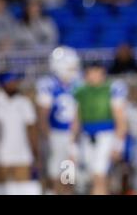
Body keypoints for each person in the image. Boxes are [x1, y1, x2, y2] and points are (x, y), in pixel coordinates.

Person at [73, 61, 128, 195]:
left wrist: (118, 144)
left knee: (99, 175)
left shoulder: (111, 89)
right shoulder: (81, 91)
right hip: (87, 137)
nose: (92, 76)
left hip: (105, 136)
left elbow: (121, 120)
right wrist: (72, 144)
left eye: (96, 72)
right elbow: (77, 119)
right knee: (95, 176)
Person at [35, 46, 81, 194]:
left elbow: (78, 114)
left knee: (68, 177)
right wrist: (48, 137)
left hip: (69, 135)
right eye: (70, 67)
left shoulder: (76, 85)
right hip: (54, 134)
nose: (73, 71)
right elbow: (43, 115)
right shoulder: (48, 85)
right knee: (52, 175)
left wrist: (74, 135)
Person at [0, 72, 40, 194]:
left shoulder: (24, 102)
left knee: (23, 190)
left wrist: (35, 151)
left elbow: (32, 128)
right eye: (11, 82)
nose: (14, 85)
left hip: (22, 156)